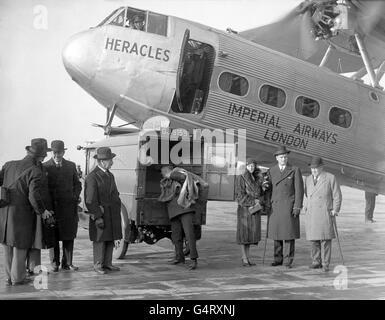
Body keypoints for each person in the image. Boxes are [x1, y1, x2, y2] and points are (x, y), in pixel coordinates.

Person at [0, 138, 53, 285]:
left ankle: (9, 277)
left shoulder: (8, 165)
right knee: (20, 246)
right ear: (41, 156)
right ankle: (18, 278)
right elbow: (33, 196)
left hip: (4, 212)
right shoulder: (35, 170)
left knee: (7, 245)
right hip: (21, 214)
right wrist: (42, 211)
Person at [158, 165, 208, 270]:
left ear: (166, 170)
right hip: (174, 211)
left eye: (162, 172)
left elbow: (184, 178)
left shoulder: (176, 173)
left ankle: (193, 260)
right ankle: (179, 257)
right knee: (176, 236)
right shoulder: (168, 180)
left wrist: (171, 174)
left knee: (189, 235)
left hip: (185, 209)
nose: (162, 174)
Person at [44, 140, 82, 272]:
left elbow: (77, 184)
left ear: (64, 152)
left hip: (68, 208)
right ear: (51, 152)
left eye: (59, 152)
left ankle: (68, 263)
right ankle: (55, 263)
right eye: (55, 152)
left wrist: (75, 196)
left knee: (69, 235)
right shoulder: (45, 166)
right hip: (53, 209)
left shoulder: (71, 166)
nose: (57, 155)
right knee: (53, 236)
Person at [85, 147, 122, 274]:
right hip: (100, 213)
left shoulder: (110, 175)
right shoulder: (92, 177)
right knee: (100, 239)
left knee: (110, 238)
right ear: (102, 161)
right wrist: (97, 216)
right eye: (110, 160)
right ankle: (98, 264)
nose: (112, 162)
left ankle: (107, 263)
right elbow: (90, 199)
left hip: (111, 213)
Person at [267, 146, 304, 268]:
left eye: (285, 157)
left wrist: (297, 207)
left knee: (288, 234)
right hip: (275, 207)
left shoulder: (294, 170)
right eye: (281, 157)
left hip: (289, 207)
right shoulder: (271, 171)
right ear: (277, 158)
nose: (284, 159)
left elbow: (299, 190)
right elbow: (268, 190)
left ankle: (288, 260)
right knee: (277, 234)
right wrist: (267, 204)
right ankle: (277, 259)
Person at [303, 156, 342, 272]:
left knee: (325, 239)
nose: (314, 170)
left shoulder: (330, 178)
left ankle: (325, 263)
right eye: (312, 168)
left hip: (325, 212)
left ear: (322, 167)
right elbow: (307, 194)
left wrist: (335, 209)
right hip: (312, 212)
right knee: (313, 239)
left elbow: (337, 195)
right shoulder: (308, 179)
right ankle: (316, 261)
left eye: (316, 168)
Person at [235, 158, 270, 266]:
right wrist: (252, 201)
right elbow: (239, 195)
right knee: (243, 235)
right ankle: (244, 258)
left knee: (249, 237)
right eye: (249, 166)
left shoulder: (257, 178)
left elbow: (259, 193)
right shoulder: (241, 178)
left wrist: (263, 190)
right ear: (246, 166)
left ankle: (247, 257)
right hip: (245, 210)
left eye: (253, 166)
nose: (251, 167)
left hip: (254, 210)